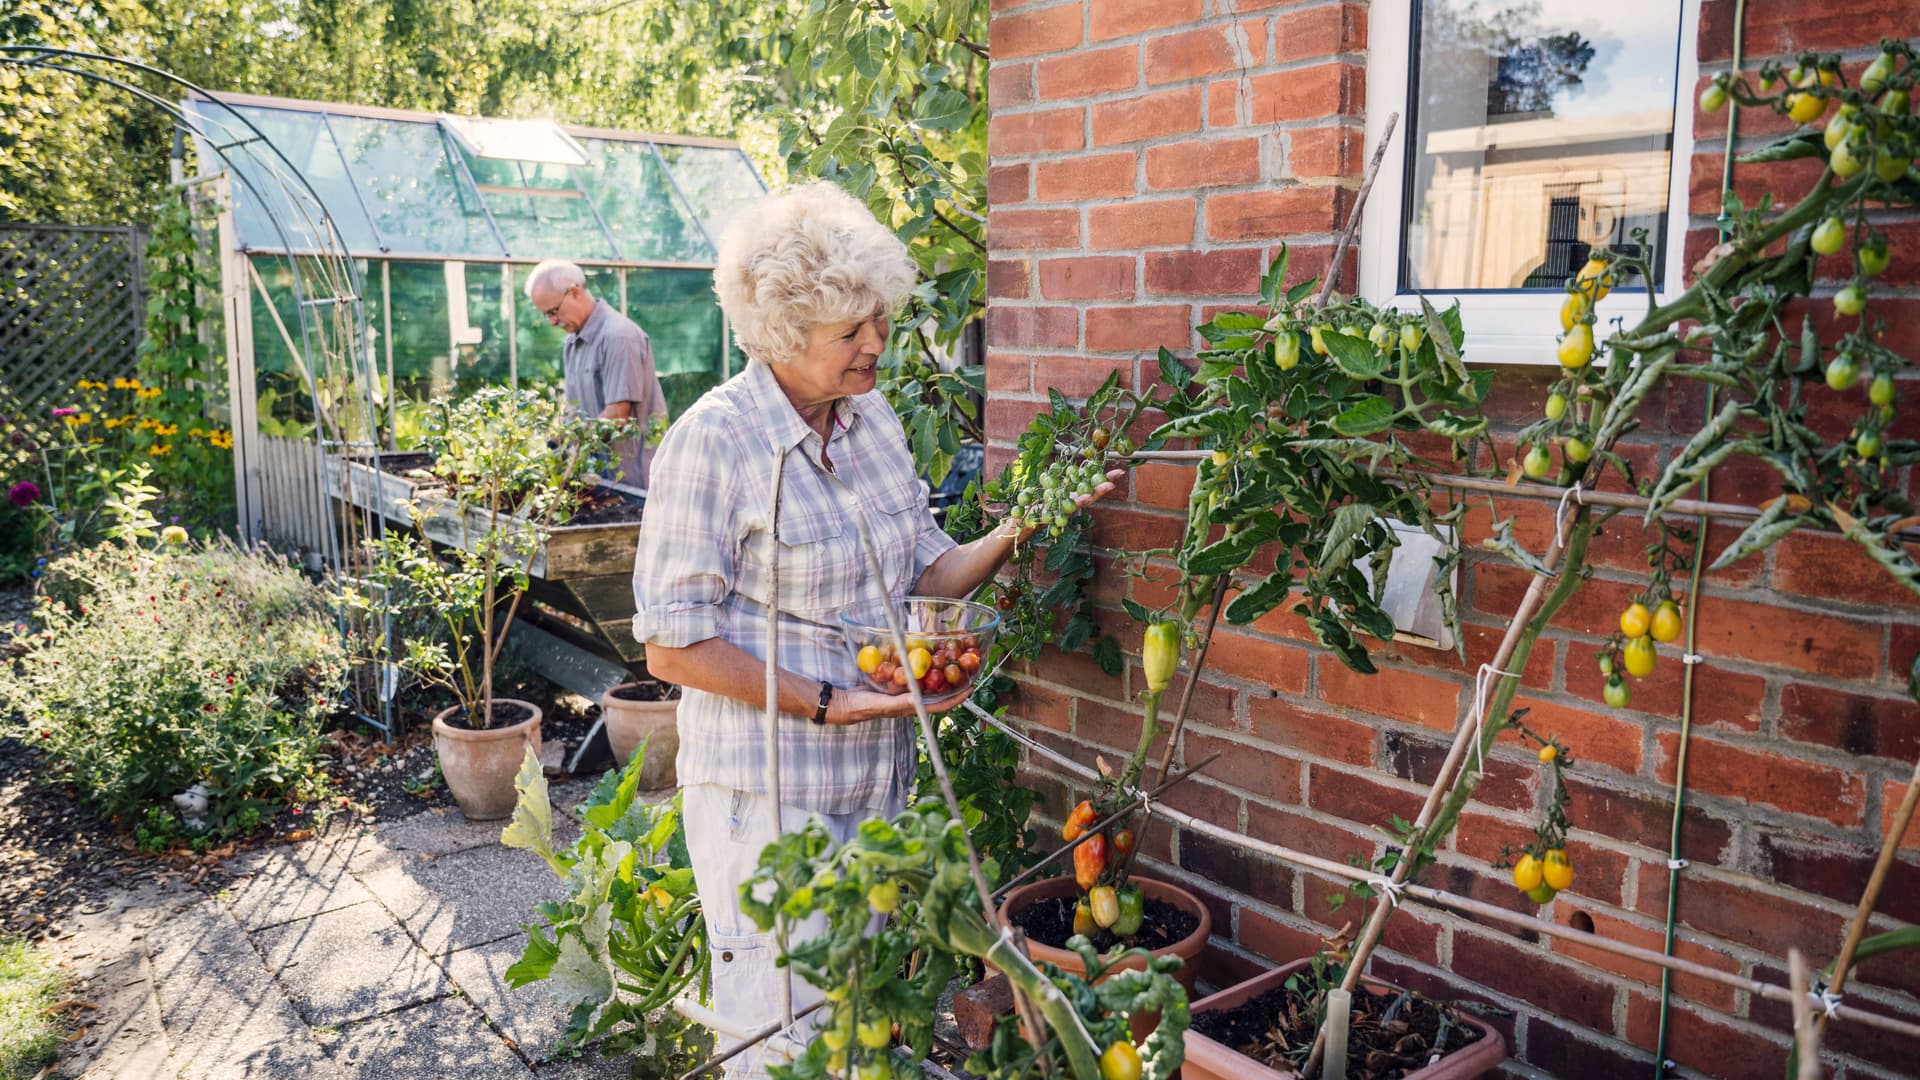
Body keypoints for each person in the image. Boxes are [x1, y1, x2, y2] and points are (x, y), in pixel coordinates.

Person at [630, 182, 1120, 1078]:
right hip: (769, 796)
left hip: (879, 786)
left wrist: (1019, 528)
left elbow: (926, 572)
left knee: (864, 1021)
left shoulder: (873, 422)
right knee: (784, 1035)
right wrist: (826, 704)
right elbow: (671, 643)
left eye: (880, 320)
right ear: (782, 329)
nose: (875, 345)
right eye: (850, 329)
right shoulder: (717, 442)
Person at [525, 260, 669, 489]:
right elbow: (573, 409)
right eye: (546, 315)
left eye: (553, 311)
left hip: (634, 484)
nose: (552, 322)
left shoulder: (618, 337)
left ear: (573, 292)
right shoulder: (572, 343)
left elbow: (617, 417)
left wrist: (567, 443)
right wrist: (551, 442)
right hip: (600, 482)